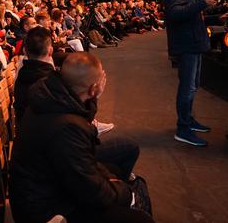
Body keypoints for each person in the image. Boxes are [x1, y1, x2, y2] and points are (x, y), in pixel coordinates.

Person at [9, 53, 152, 223]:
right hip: (44, 210)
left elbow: (81, 164)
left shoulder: (50, 96)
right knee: (139, 217)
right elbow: (89, 189)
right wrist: (127, 194)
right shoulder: (66, 127)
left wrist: (112, 184)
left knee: (116, 170)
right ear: (92, 88)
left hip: (43, 187)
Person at [164, 0, 218, 146]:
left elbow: (192, 16)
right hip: (186, 45)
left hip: (193, 42)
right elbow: (175, 14)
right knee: (187, 88)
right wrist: (202, 2)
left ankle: (188, 120)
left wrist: (218, 16)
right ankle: (183, 128)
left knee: (192, 86)